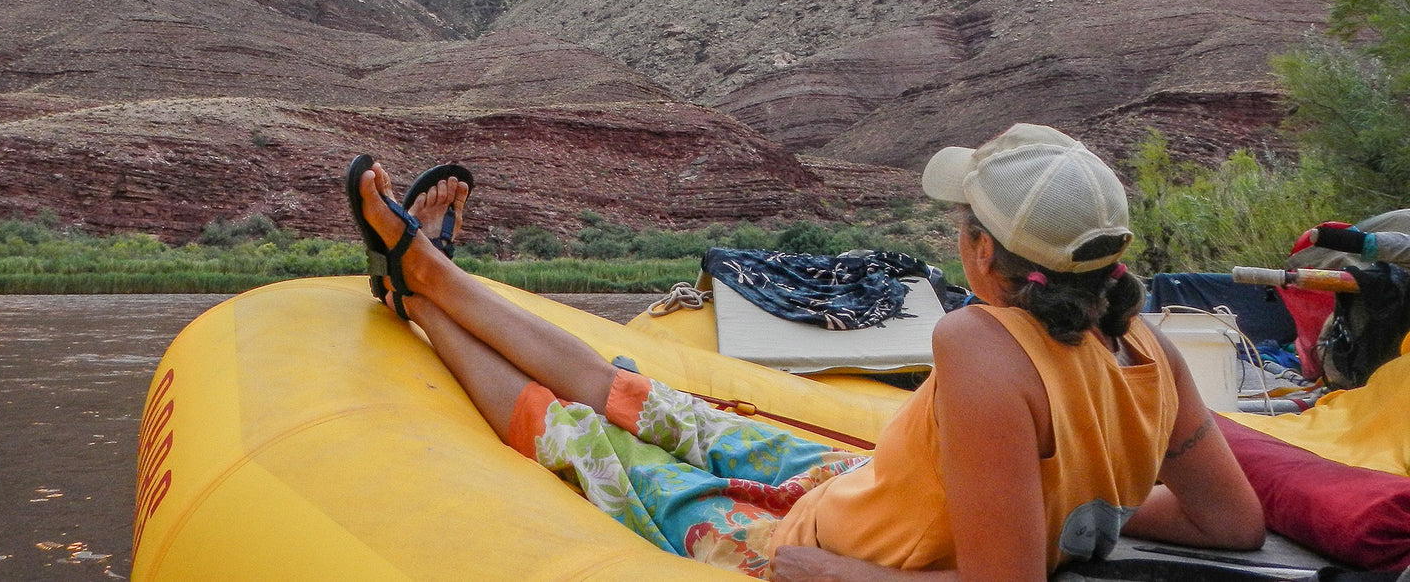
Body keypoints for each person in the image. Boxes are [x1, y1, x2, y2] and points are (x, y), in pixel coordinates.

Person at [346, 123, 1264, 582]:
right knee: (645, 395)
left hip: (812, 540)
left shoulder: (978, 341)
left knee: (586, 434)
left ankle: (418, 294)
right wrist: (1070, 513)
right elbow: (1233, 524)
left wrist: (835, 574)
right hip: (861, 479)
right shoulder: (1148, 347)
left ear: (985, 254)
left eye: (964, 224)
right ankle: (427, 275)